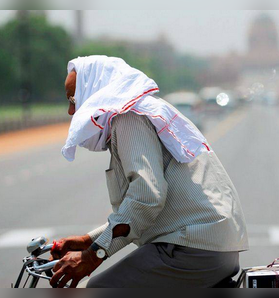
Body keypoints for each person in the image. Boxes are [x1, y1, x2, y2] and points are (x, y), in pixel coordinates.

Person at [50, 55, 248, 288]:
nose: (71, 110)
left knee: (98, 289)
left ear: (92, 88)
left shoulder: (128, 117)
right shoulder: (139, 112)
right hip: (213, 247)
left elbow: (146, 196)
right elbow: (139, 205)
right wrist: (88, 241)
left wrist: (93, 256)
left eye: (73, 99)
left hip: (191, 249)